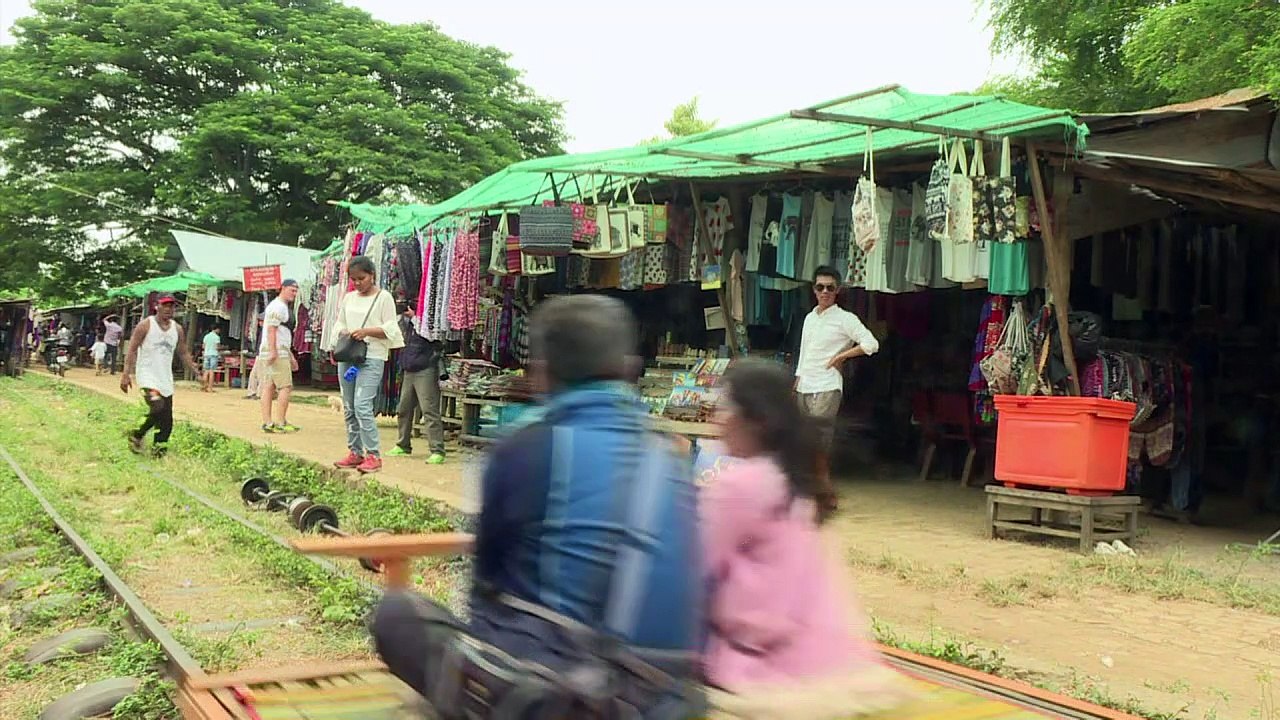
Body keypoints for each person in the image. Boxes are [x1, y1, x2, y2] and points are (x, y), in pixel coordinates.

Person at [370, 295, 703, 715]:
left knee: (397, 614)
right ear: (629, 368)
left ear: (541, 374)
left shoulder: (528, 448)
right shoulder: (670, 459)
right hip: (669, 699)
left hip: (569, 698)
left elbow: (486, 588)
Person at [701, 360, 909, 719]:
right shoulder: (797, 481)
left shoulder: (740, 484)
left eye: (726, 405)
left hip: (762, 674)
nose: (718, 417)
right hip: (829, 663)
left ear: (757, 419)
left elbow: (695, 565)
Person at [794, 265, 879, 515]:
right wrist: (796, 382)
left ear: (838, 290)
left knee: (819, 441)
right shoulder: (810, 318)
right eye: (820, 287)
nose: (825, 292)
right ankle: (815, 492)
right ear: (813, 289)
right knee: (804, 441)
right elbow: (804, 353)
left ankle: (825, 494)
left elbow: (871, 344)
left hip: (827, 386)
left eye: (830, 288)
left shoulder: (845, 319)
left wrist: (842, 356)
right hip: (805, 385)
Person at [332, 256, 402, 474]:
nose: (357, 283)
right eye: (353, 280)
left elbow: (391, 329)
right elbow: (339, 324)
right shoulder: (349, 298)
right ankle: (355, 451)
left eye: (361, 278)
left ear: (372, 275)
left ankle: (373, 455)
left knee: (363, 404)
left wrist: (367, 331)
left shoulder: (384, 298)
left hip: (371, 359)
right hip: (349, 361)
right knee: (350, 405)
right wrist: (344, 334)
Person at [121, 294, 201, 457]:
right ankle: (137, 433)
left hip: (165, 379)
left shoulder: (177, 329)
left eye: (171, 306)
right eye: (165, 305)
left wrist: (196, 373)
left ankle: (158, 452)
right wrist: (126, 373)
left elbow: (183, 352)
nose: (168, 309)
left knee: (167, 421)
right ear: (157, 306)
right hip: (147, 376)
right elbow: (132, 349)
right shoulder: (146, 325)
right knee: (157, 406)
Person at [387, 303, 446, 464]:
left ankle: (437, 450)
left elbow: (432, 336)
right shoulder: (407, 325)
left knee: (429, 409)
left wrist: (415, 318)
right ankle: (403, 444)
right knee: (403, 408)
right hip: (409, 369)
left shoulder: (429, 321)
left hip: (426, 369)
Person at [259, 279, 301, 433]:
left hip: (278, 350)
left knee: (269, 386)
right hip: (276, 351)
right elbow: (271, 329)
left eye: (296, 291)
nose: (294, 294)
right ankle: (280, 421)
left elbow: (281, 333)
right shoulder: (278, 307)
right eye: (292, 290)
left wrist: (290, 356)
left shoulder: (280, 307)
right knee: (285, 386)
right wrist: (273, 351)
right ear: (282, 289)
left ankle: (268, 422)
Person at [200, 326, 221, 392]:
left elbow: (203, 346)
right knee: (212, 371)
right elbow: (217, 347)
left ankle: (204, 386)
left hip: (206, 354)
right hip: (213, 354)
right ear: (216, 329)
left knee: (206, 371)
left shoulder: (206, 336)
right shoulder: (216, 337)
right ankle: (210, 388)